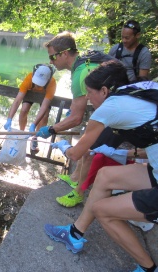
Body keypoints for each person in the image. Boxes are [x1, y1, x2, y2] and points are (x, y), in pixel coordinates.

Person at [40, 60, 158, 272]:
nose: (88, 98)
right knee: (106, 175)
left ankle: (149, 269)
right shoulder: (137, 90)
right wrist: (122, 153)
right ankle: (75, 234)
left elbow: (76, 154)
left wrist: (63, 146)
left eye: (90, 92)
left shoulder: (110, 107)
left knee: (103, 211)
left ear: (105, 90)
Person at [39, 31, 123, 207]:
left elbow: (76, 118)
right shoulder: (83, 63)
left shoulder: (80, 72)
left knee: (90, 149)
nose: (51, 62)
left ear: (64, 54)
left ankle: (78, 193)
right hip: (113, 106)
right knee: (89, 143)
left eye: (53, 57)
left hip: (119, 113)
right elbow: (78, 107)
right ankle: (75, 178)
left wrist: (52, 129)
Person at [4, 64, 56, 152]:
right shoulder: (29, 79)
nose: (37, 86)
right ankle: (22, 134)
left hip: (44, 97)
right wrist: (9, 119)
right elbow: (17, 101)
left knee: (45, 116)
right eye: (36, 83)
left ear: (47, 80)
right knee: (24, 110)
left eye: (40, 84)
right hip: (30, 93)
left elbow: (44, 106)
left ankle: (35, 137)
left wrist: (34, 124)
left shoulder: (52, 83)